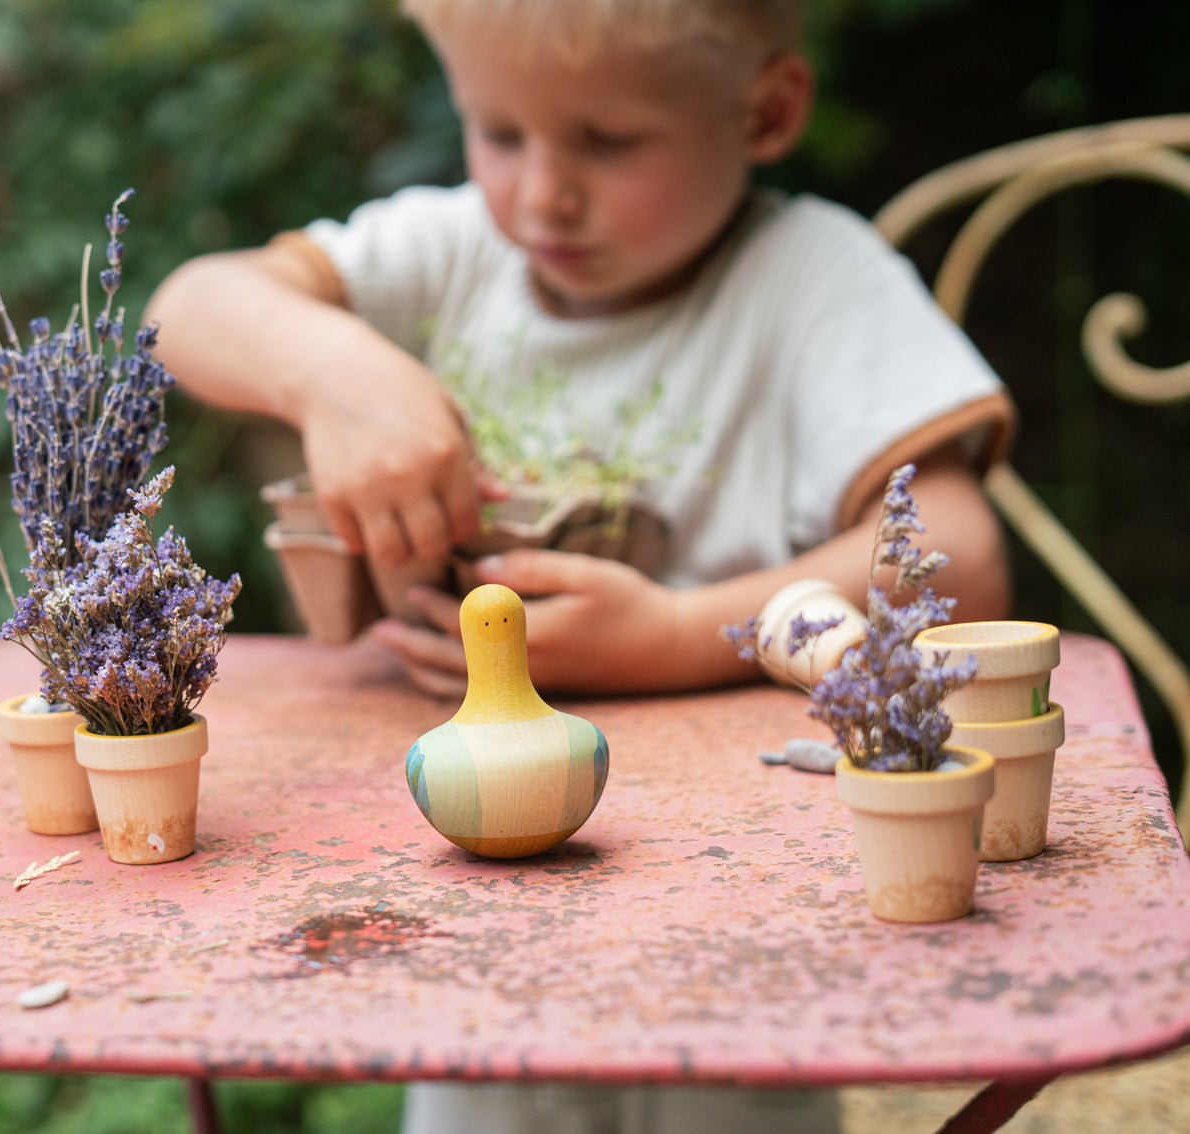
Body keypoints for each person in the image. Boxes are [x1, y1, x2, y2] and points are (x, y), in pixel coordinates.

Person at [150, 0, 1012, 1118]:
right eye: (498, 134)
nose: (541, 191)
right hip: (461, 919)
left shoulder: (810, 278)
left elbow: (964, 557)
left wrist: (670, 633)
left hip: (737, 922)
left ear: (763, 111)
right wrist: (334, 374)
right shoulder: (453, 252)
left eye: (608, 141)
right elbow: (186, 306)